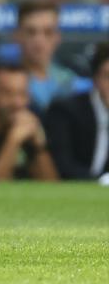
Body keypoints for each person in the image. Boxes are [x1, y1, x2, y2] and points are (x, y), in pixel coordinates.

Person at [42, 41, 109, 182]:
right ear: (95, 79)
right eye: (108, 76)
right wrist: (101, 181)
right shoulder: (66, 111)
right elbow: (64, 166)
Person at [13, 0, 80, 110]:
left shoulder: (73, 84)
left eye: (48, 32)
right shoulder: (1, 84)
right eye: (31, 32)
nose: (39, 40)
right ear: (17, 36)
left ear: (58, 37)